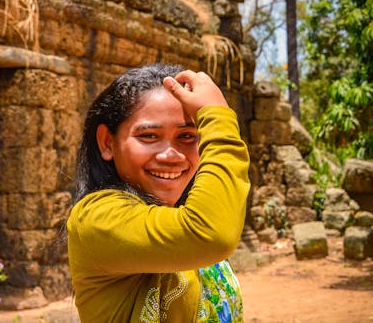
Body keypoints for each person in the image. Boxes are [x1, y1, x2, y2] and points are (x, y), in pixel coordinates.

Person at [67, 63, 250, 322]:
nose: (171, 155)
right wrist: (219, 118)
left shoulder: (181, 212)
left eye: (187, 136)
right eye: (150, 136)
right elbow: (213, 235)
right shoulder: (96, 218)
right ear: (108, 143)